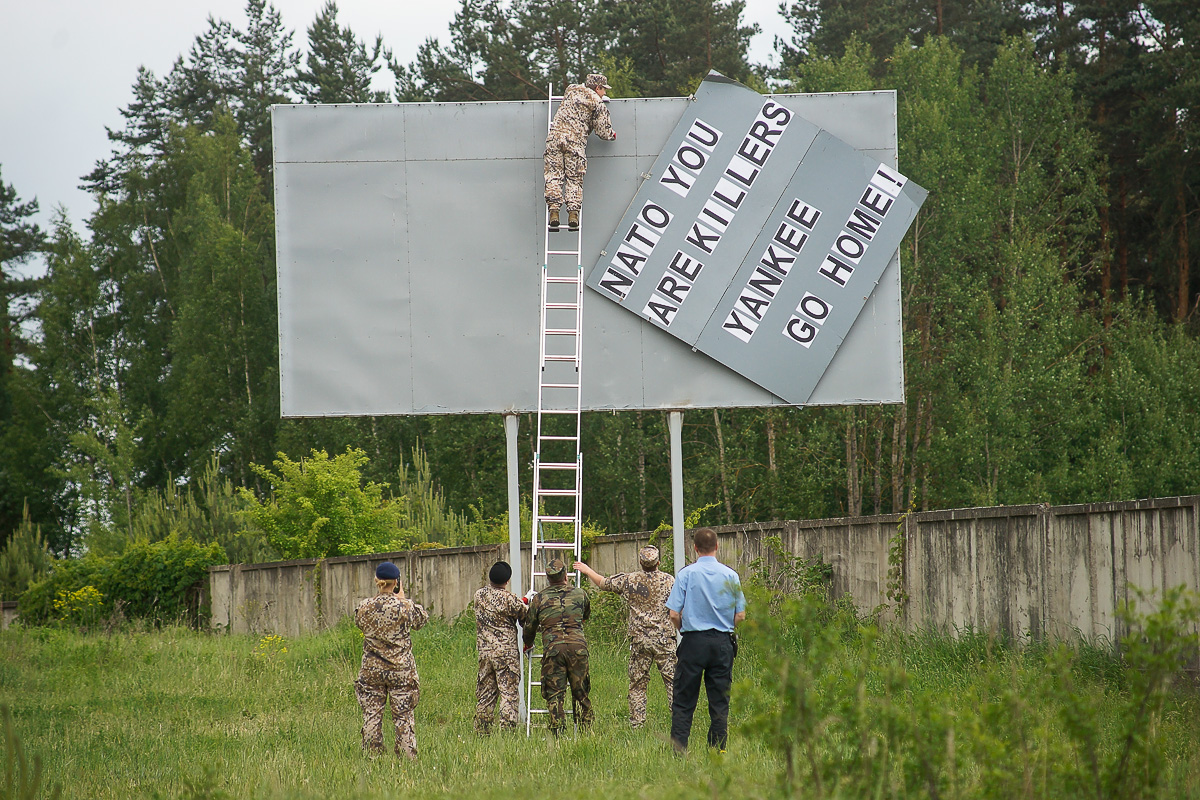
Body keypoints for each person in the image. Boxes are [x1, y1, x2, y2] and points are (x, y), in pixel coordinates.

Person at [574, 546, 676, 728]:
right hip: (664, 639)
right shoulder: (669, 581)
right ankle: (679, 720)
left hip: (640, 640)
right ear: (658, 563)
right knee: (673, 681)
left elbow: (603, 583)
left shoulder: (630, 580)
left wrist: (587, 570)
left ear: (640, 562)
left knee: (638, 683)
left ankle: (637, 724)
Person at [666, 528, 746, 752]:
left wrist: (684, 629)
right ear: (717, 547)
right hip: (722, 643)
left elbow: (673, 613)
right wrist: (726, 626)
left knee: (683, 700)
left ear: (695, 548)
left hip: (693, 642)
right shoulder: (730, 575)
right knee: (720, 701)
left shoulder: (686, 574)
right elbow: (740, 614)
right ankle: (718, 750)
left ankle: (679, 751)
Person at [354, 561, 429, 759]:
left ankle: (373, 756)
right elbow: (422, 621)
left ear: (376, 581)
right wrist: (403, 599)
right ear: (396, 582)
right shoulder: (405, 606)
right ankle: (406, 757)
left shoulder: (364, 607)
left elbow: (359, 624)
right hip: (401, 670)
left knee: (372, 715)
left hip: (372, 670)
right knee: (403, 716)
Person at [522, 557, 593, 735]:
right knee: (581, 691)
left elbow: (529, 627)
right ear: (565, 576)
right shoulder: (580, 594)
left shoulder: (539, 599)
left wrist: (528, 644)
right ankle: (586, 732)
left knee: (554, 694)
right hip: (578, 648)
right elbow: (585, 616)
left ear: (548, 578)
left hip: (553, 650)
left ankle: (558, 732)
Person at [544, 73, 617, 232]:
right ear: (598, 88)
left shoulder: (571, 90)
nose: (604, 93)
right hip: (575, 143)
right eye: (603, 89)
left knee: (554, 175)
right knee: (574, 179)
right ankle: (573, 215)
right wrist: (612, 135)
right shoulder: (597, 103)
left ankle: (554, 212)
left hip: (554, 138)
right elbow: (603, 132)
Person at [473, 560, 527, 734]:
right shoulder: (510, 599)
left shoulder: (479, 595)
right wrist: (528, 601)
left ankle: (482, 730)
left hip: (485, 653)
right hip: (506, 654)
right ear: (507, 580)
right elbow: (525, 616)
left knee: (486, 693)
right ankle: (508, 732)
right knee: (508, 693)